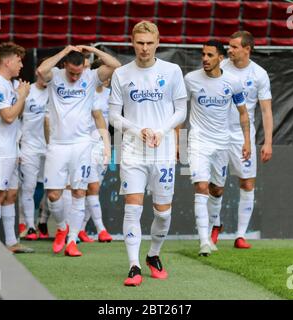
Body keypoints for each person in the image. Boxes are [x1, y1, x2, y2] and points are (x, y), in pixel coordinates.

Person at [109, 21, 187, 286]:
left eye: (149, 43)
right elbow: (112, 115)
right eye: (139, 43)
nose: (144, 48)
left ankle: (153, 254)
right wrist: (136, 129)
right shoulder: (121, 74)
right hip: (132, 151)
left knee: (162, 213)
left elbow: (181, 111)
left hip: (163, 152)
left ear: (157, 42)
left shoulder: (172, 71)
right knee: (132, 208)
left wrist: (161, 131)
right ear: (132, 42)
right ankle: (134, 266)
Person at [37, 44, 120, 257]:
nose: (75, 78)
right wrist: (64, 51)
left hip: (82, 145)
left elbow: (115, 65)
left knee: (79, 192)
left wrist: (93, 50)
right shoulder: (55, 76)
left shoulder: (90, 77)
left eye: (78, 73)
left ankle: (72, 241)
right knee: (54, 194)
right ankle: (62, 226)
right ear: (65, 66)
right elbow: (40, 71)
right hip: (57, 145)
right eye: (71, 73)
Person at [185, 40, 250, 257]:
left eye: (210, 55)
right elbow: (178, 108)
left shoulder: (233, 82)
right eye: (203, 54)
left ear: (220, 58)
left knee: (217, 190)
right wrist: (177, 139)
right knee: (201, 186)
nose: (205, 58)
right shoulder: (190, 80)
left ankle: (215, 225)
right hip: (198, 141)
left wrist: (247, 141)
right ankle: (204, 240)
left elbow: (243, 113)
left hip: (223, 142)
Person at [210, 31, 273, 249]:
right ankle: (215, 225)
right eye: (229, 46)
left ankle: (240, 235)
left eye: (235, 47)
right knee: (216, 187)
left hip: (242, 135)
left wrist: (268, 142)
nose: (229, 50)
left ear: (247, 49)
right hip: (217, 133)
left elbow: (266, 111)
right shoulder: (220, 67)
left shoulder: (259, 74)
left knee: (246, 182)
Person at [0, 42, 33, 253]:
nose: (21, 65)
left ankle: (12, 242)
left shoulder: (10, 85)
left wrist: (20, 94)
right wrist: (23, 95)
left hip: (12, 148)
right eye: (18, 60)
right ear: (7, 61)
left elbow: (17, 116)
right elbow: (7, 116)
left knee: (11, 195)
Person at [78, 58, 113, 243]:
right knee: (91, 187)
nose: (106, 78)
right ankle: (101, 229)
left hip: (103, 143)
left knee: (94, 187)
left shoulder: (110, 94)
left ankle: (81, 229)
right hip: (85, 144)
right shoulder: (85, 91)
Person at [18, 62, 49, 241]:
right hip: (29, 146)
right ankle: (29, 225)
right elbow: (16, 118)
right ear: (38, 72)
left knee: (50, 188)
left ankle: (42, 222)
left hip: (51, 147)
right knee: (28, 187)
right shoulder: (28, 91)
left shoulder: (55, 91)